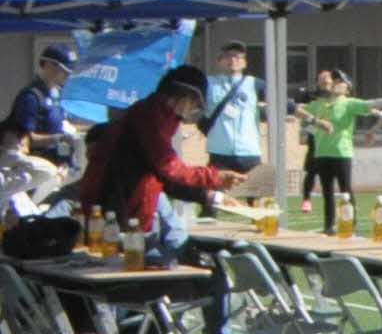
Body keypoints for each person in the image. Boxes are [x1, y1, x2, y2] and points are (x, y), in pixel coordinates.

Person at [75, 70, 231, 253]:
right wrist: (215, 177)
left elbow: (161, 173)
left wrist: (208, 196)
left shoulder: (160, 117)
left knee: (167, 246)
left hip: (129, 203)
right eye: (194, 105)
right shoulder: (149, 118)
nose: (191, 112)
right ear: (182, 96)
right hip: (115, 205)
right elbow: (168, 167)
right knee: (146, 256)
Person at [293, 68, 364, 232]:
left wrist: (379, 111)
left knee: (346, 189)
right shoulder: (319, 104)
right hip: (322, 152)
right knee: (327, 192)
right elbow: (298, 110)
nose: (335, 84)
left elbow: (369, 106)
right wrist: (313, 120)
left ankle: (351, 223)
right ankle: (328, 225)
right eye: (335, 81)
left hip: (342, 153)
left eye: (340, 82)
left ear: (347, 87)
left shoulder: (349, 103)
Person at [0, 44, 70, 207]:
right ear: (47, 65)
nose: (66, 75)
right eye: (62, 69)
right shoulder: (31, 97)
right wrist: (59, 139)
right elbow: (27, 139)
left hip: (57, 164)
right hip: (32, 165)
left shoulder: (57, 97)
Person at [200, 45, 264, 197]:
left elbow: (285, 103)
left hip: (249, 153)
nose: (233, 60)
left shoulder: (254, 84)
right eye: (228, 56)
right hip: (219, 153)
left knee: (258, 204)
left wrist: (313, 121)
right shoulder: (209, 84)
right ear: (219, 61)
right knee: (210, 201)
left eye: (238, 57)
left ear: (245, 62)